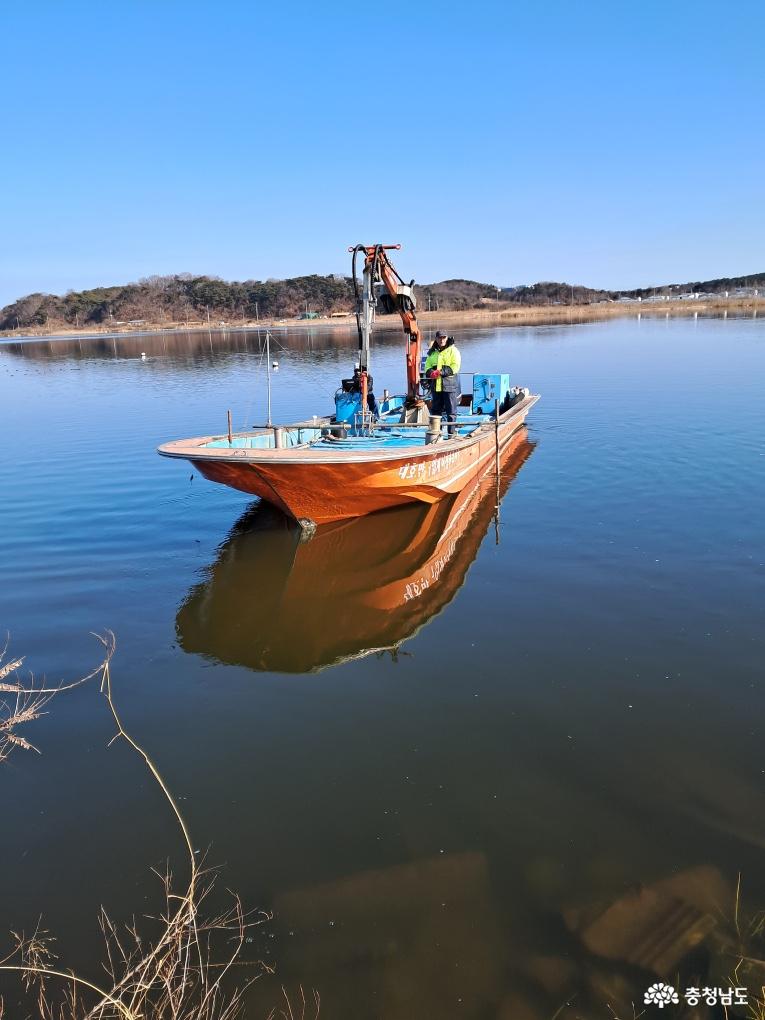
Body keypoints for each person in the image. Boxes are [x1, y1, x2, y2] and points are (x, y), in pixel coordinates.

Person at [424, 331, 461, 436]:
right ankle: (436, 433)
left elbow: (455, 366)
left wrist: (440, 372)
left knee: (451, 411)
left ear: (447, 338)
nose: (442, 340)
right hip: (436, 386)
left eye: (444, 338)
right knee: (435, 411)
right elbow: (427, 366)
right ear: (436, 339)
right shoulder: (432, 352)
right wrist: (431, 373)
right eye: (440, 338)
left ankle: (451, 434)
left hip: (449, 386)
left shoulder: (453, 351)